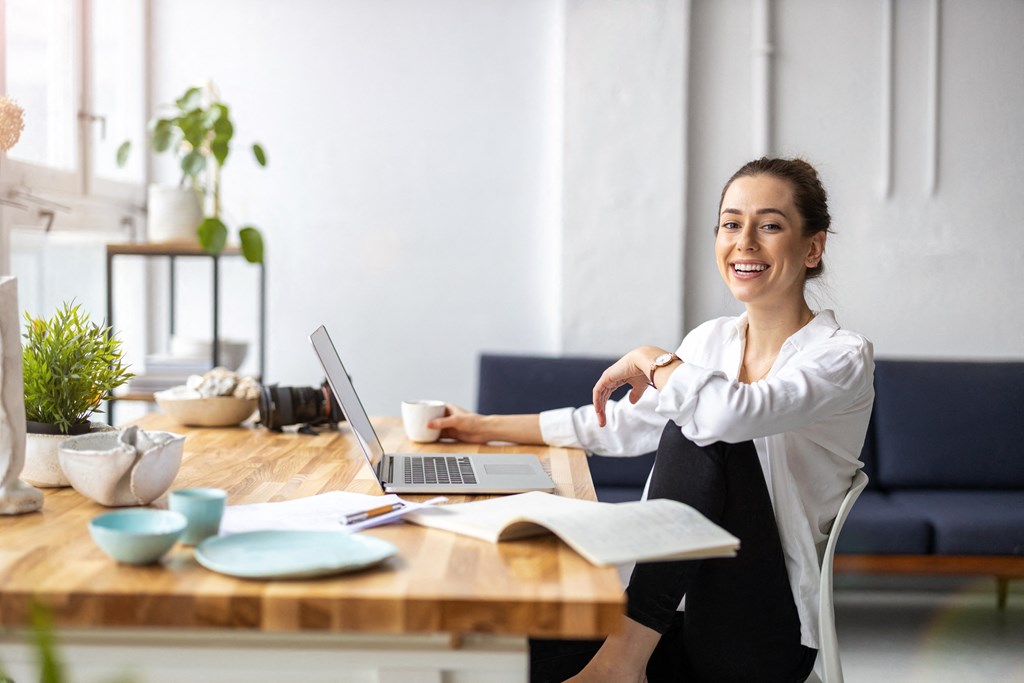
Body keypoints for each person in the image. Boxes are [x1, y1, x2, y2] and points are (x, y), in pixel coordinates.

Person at [428, 157, 875, 683]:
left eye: (770, 225)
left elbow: (728, 416)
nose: (744, 241)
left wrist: (652, 357)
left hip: (762, 632)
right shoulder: (710, 343)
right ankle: (623, 654)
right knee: (514, 644)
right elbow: (618, 426)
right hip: (672, 611)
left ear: (812, 247)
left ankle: (622, 662)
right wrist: (480, 427)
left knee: (707, 430)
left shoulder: (841, 356)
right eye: (731, 224)